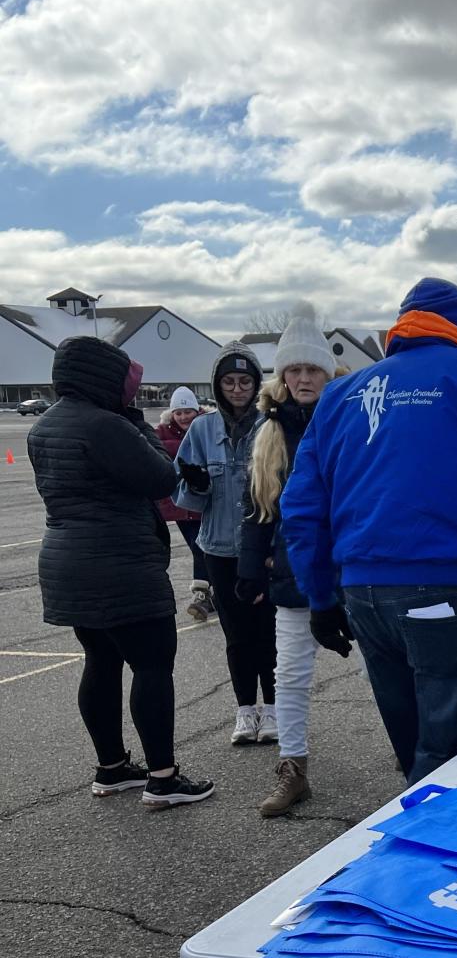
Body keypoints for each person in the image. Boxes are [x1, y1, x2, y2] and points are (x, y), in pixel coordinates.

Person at [281, 277, 457, 785]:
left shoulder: (341, 393)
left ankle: (415, 829)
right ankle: (433, 848)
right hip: (448, 585)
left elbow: (302, 506)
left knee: (413, 746)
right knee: (449, 758)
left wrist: (320, 597)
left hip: (363, 592)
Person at [27, 338, 214, 808]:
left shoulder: (44, 426)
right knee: (152, 665)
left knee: (101, 661)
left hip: (65, 560)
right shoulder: (107, 425)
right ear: (104, 380)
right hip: (118, 563)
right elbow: (161, 477)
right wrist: (136, 424)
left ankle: (111, 767)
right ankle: (163, 778)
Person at [238, 306, 345, 818]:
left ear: (328, 372)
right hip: (294, 572)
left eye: (313, 369)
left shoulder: (349, 420)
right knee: (291, 675)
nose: (304, 378)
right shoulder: (269, 434)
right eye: (295, 370)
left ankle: (411, 753)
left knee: (390, 666)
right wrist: (249, 568)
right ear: (283, 377)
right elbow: (256, 511)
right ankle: (292, 767)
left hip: (353, 569)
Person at [175, 343, 278, 745]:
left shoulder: (270, 426)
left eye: (245, 381)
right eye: (229, 382)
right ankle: (244, 710)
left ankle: (272, 708)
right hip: (218, 547)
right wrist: (195, 484)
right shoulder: (201, 430)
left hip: (262, 547)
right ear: (218, 387)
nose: (238, 389)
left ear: (256, 385)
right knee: (236, 635)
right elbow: (184, 494)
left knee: (267, 631)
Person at [155, 386, 214, 622]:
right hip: (180, 506)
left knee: (203, 548)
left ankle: (203, 595)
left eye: (187, 411)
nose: (183, 417)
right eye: (178, 413)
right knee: (197, 547)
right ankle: (211, 592)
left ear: (195, 410)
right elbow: (156, 451)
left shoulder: (207, 426)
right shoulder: (162, 432)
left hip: (204, 503)